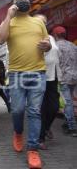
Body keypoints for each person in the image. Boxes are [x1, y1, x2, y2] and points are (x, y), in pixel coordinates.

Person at [0, 0, 51, 168]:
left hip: (38, 72)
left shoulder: (38, 22)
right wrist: (8, 16)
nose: (24, 1)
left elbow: (47, 42)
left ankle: (33, 150)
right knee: (18, 109)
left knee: (34, 111)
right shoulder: (9, 22)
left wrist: (47, 46)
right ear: (13, 4)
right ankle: (18, 132)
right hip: (17, 74)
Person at [34, 14, 62, 149]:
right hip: (41, 76)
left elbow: (56, 55)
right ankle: (40, 138)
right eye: (40, 22)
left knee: (55, 107)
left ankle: (45, 129)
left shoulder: (50, 37)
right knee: (43, 109)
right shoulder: (33, 39)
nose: (43, 24)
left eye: (44, 22)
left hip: (54, 77)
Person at [51, 25, 77, 137]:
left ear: (55, 35)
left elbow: (54, 63)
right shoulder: (73, 45)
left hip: (64, 78)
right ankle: (68, 123)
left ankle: (72, 127)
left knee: (68, 102)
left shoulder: (55, 47)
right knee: (69, 101)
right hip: (74, 77)